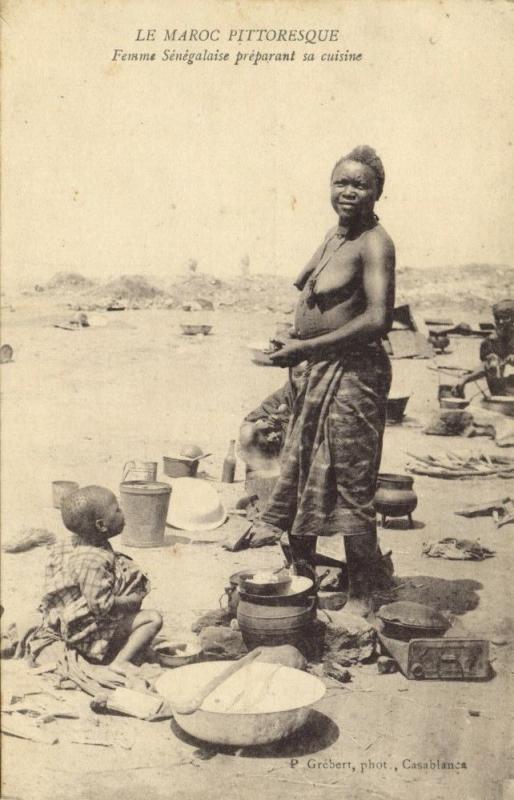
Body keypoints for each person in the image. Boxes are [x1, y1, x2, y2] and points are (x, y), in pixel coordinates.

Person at [253, 146, 395, 617]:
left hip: (353, 375)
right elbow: (318, 306)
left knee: (350, 480)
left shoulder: (375, 242)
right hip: (313, 371)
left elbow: (378, 319)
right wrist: (291, 338)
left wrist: (307, 347)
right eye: (341, 182)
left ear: (378, 192)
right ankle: (301, 581)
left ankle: (361, 593)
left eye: (360, 184)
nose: (349, 191)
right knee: (298, 471)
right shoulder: (333, 238)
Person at [29, 486, 162, 668]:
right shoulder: (92, 560)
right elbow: (101, 606)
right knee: (153, 619)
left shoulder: (71, 543)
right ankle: (118, 664)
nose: (122, 511)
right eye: (117, 509)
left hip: (66, 619)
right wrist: (133, 599)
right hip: (85, 634)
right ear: (101, 525)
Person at [454, 299, 514, 398]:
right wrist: (465, 379)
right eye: (497, 318)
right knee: (493, 364)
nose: (500, 322)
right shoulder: (490, 342)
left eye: (505, 318)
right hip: (504, 392)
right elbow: (486, 366)